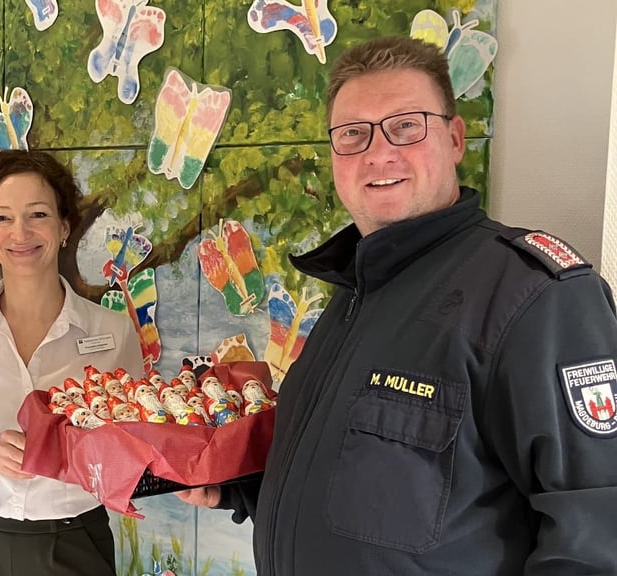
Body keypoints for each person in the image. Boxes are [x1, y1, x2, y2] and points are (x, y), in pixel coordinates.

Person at [179, 36, 617, 575]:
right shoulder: (353, 292)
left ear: (454, 138)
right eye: (353, 134)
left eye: (406, 126)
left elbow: (599, 536)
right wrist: (237, 487)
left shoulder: (534, 296)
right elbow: (370, 480)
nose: (378, 153)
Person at [0, 150, 142, 576]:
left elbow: (132, 448)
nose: (20, 232)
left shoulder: (114, 333)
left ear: (64, 227)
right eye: (2, 218)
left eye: (38, 214)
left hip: (77, 544)